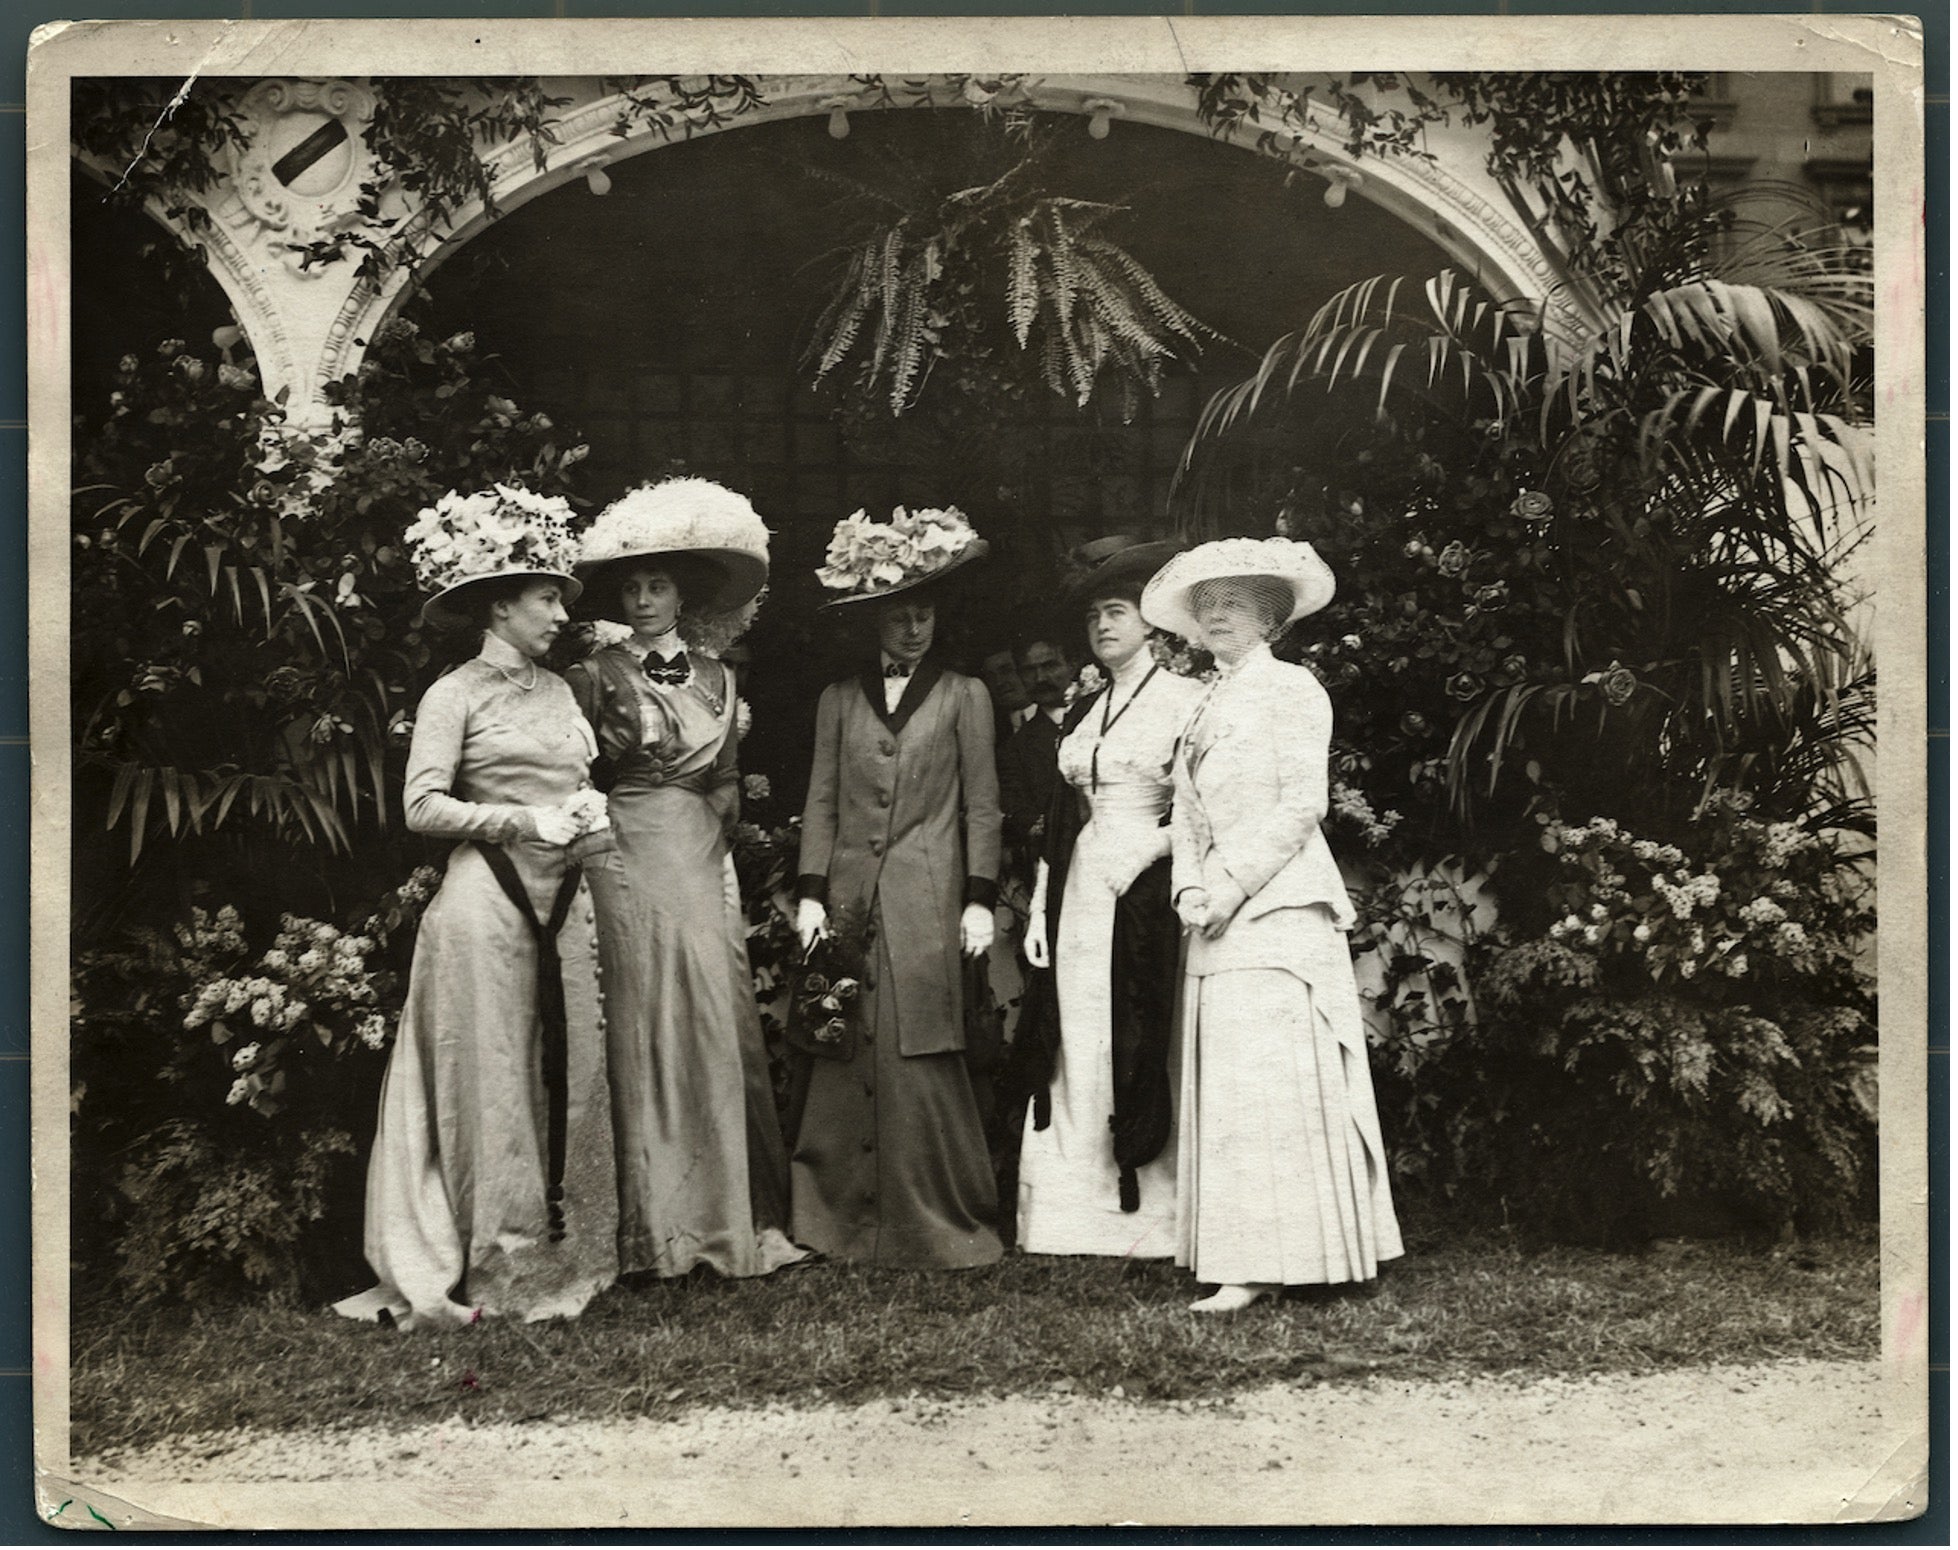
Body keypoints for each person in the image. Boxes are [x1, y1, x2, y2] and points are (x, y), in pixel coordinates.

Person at [334, 485, 618, 1328]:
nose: (559, 612)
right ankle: (501, 1254)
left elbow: (579, 781)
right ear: (500, 606)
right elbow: (421, 807)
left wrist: (588, 814)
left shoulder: (564, 692)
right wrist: (522, 820)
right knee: (492, 1077)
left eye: (561, 599)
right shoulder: (453, 693)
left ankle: (581, 1245)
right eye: (545, 598)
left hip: (566, 896)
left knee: (570, 1067)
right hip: (484, 904)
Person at [1140, 536, 1404, 1313]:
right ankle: (1241, 1255)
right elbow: (1185, 811)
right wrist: (1189, 884)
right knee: (1229, 1083)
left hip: (1280, 907)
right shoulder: (1201, 703)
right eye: (1207, 607)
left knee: (1273, 1080)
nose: (1217, 617)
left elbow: (1302, 804)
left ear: (1268, 620)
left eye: (1234, 606)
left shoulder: (1293, 690)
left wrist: (1226, 886)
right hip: (1216, 914)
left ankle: (1296, 1254)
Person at [564, 478, 804, 1281]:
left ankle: (727, 1215)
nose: (641, 599)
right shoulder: (594, 674)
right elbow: (573, 774)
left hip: (701, 850)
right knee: (643, 1008)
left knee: (712, 1005)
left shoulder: (720, 676)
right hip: (627, 846)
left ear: (682, 593)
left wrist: (719, 817)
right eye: (630, 586)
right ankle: (650, 1226)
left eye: (656, 585)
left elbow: (729, 777)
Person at [790, 504, 1004, 1269]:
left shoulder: (964, 696)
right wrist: (812, 891)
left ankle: (933, 1220)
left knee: (922, 1045)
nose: (914, 628)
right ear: (874, 619)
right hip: (849, 898)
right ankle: (835, 1220)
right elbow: (820, 799)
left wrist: (978, 898)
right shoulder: (839, 701)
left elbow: (982, 803)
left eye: (926, 614)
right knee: (839, 1037)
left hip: (925, 896)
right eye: (900, 615)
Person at [1014, 538, 1203, 1258]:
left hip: (1146, 888)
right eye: (1093, 615)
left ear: (1151, 623)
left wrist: (1153, 852)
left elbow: (1199, 806)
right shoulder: (1085, 710)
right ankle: (1075, 1212)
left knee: (1135, 1023)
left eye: (1116, 612)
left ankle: (1153, 1214)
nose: (1102, 626)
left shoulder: (1187, 701)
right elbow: (1061, 824)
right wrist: (1037, 908)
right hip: (1081, 886)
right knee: (1079, 1027)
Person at [995, 627, 1077, 890]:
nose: (1040, 677)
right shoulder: (1014, 751)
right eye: (1029, 671)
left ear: (1073, 665)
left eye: (1050, 665)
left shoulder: (1104, 718)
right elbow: (1023, 819)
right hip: (1064, 873)